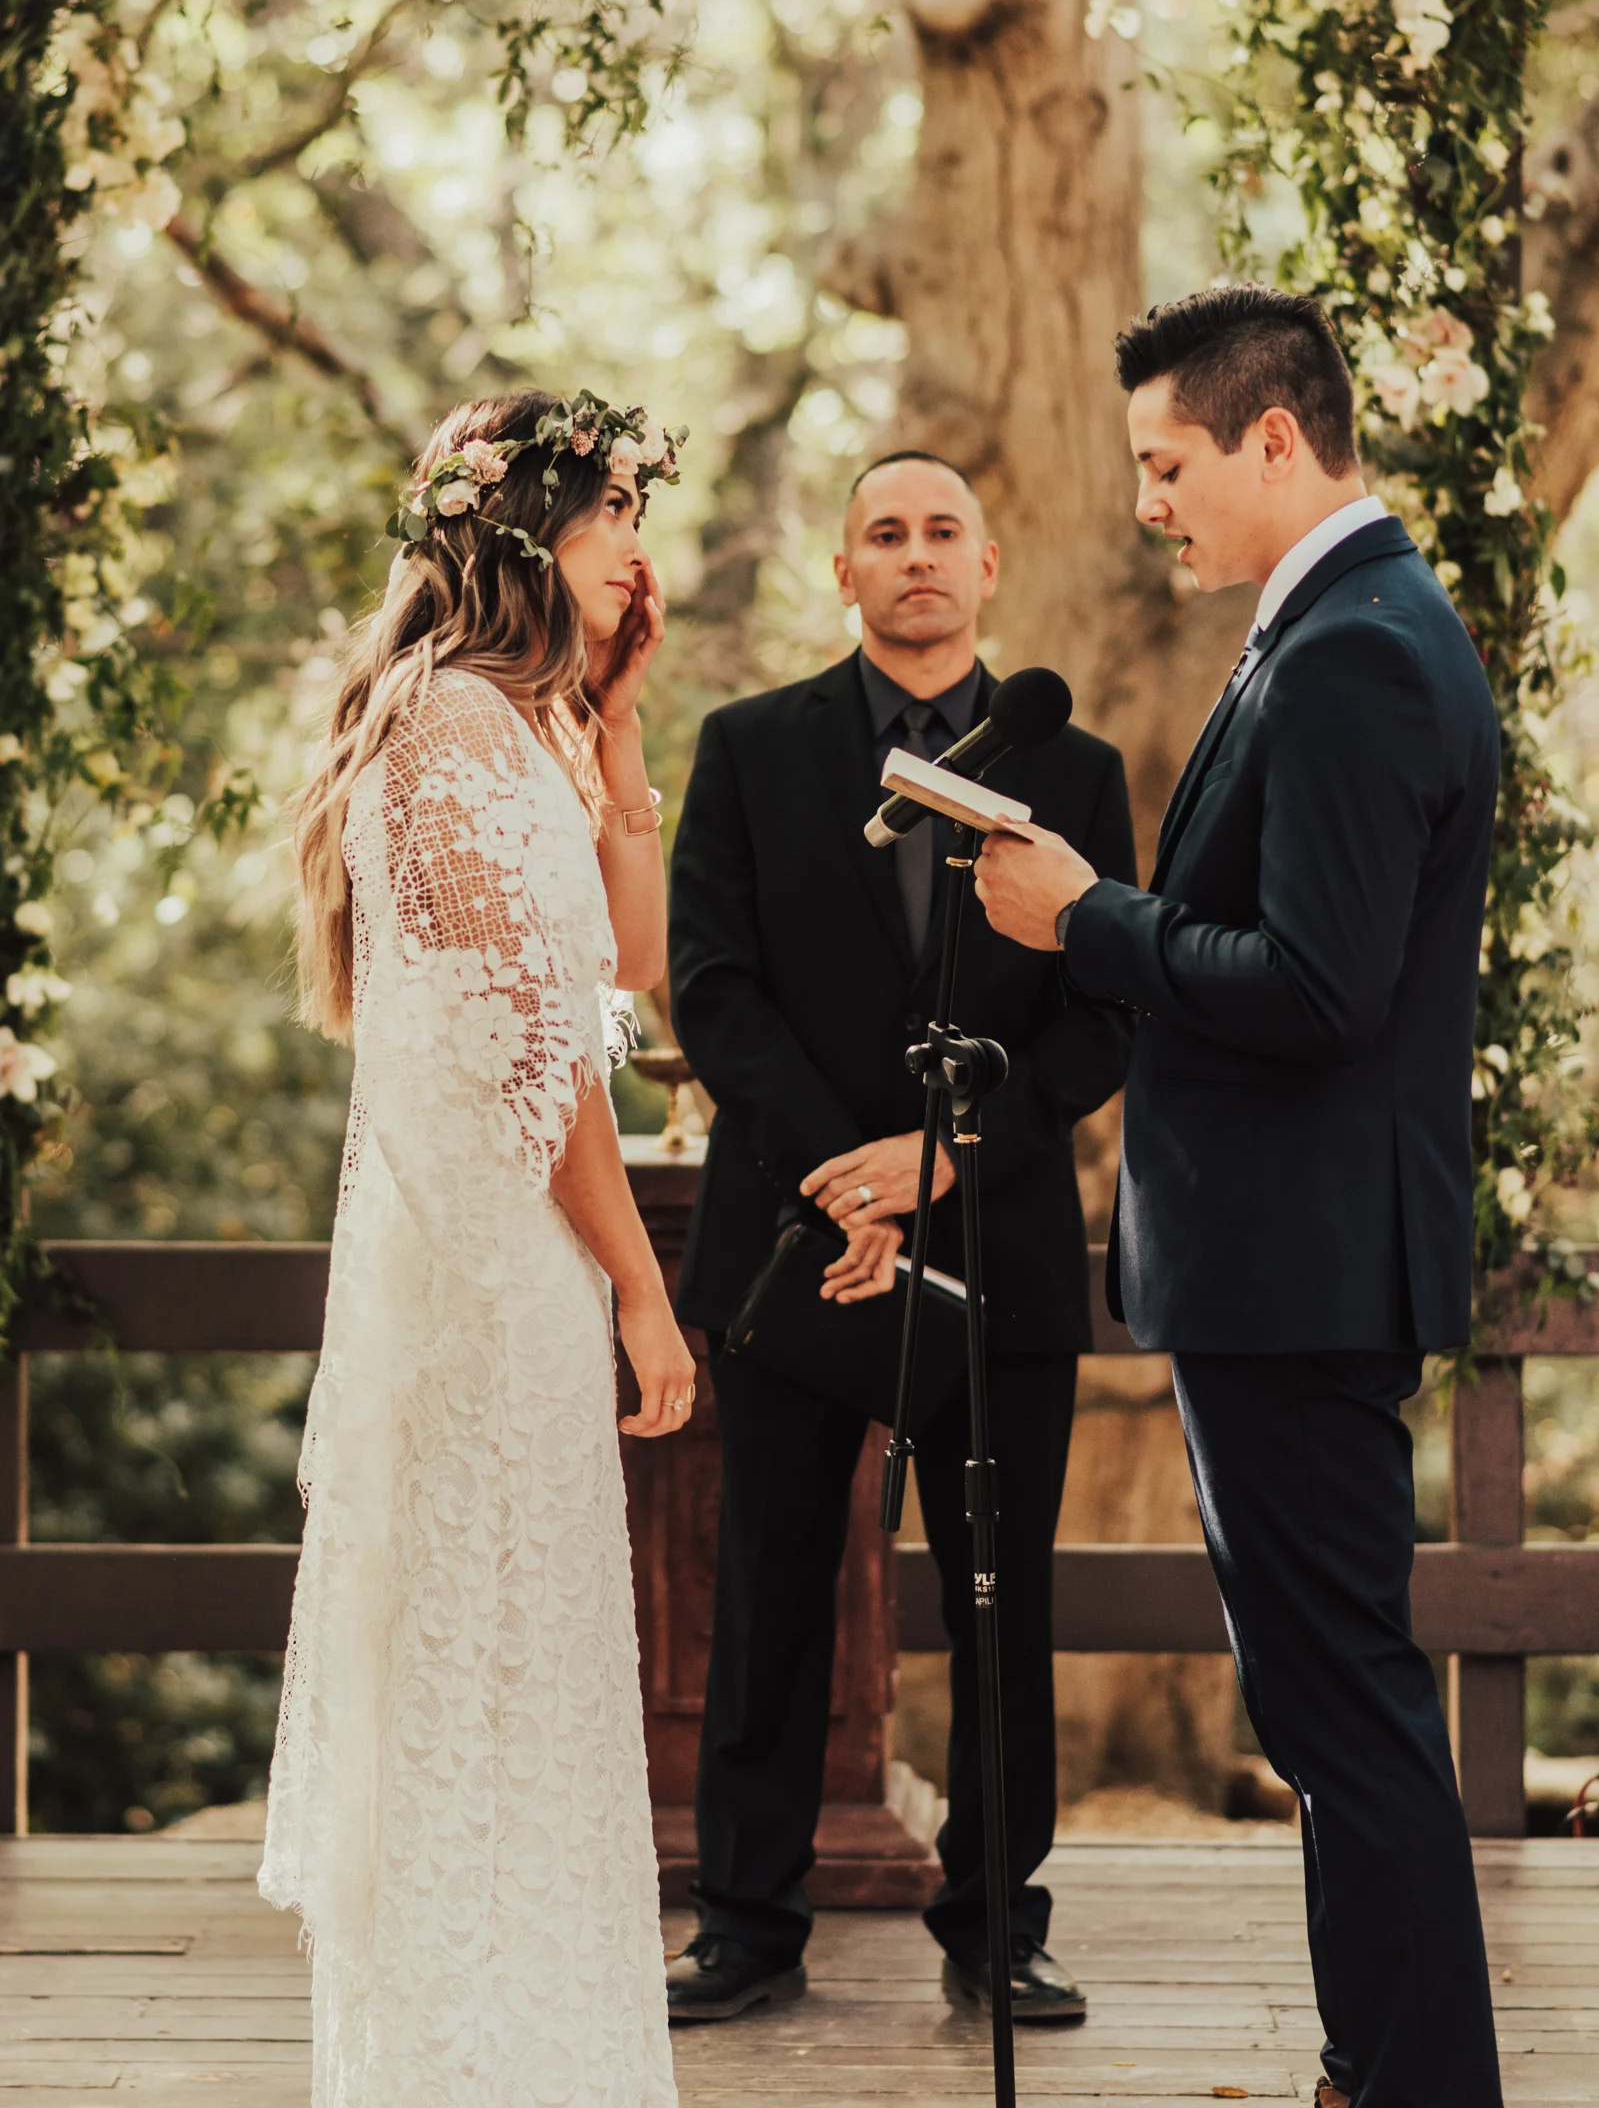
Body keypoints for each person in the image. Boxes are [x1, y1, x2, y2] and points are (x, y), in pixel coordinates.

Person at [975, 284, 1504, 2108]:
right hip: (1286, 1269)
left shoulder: (1358, 650)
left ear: (1276, 438)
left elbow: (1317, 987)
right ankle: (1382, 2071)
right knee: (1330, 1713)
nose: (1149, 500)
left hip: (1295, 1275)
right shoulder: (1339, 625)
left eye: (1168, 460)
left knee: (1347, 1720)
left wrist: (1086, 918)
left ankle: (1412, 2088)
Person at [260, 388, 695, 2107]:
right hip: (489, 1280)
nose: (636, 552)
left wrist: (625, 719)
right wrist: (647, 1295)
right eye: (612, 519)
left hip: (524, 1273)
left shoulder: (526, 728)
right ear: (525, 536)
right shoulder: (443, 729)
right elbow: (541, 1061)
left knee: (535, 1684)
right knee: (480, 1674)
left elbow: (628, 972)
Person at [665, 453, 1136, 2025]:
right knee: (773, 1584)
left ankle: (997, 1924)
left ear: (989, 567)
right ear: (846, 573)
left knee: (1002, 1604)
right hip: (801, 1241)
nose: (916, 557)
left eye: (943, 534)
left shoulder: (1076, 770)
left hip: (996, 1241)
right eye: (886, 534)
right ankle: (745, 1922)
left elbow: (1106, 1010)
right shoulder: (748, 750)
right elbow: (714, 992)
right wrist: (845, 1177)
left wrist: (944, 1159)